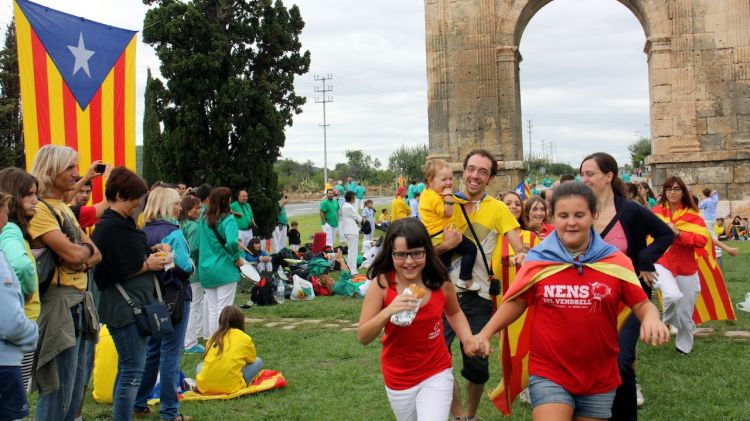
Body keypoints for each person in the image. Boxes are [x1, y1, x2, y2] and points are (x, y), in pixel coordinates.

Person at [477, 182, 670, 421]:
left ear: (593, 215)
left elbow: (641, 303)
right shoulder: (540, 259)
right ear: (553, 217)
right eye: (563, 215)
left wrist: (651, 318)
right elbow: (516, 302)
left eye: (579, 215)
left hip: (599, 375)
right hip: (549, 370)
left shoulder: (615, 261)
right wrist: (485, 333)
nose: (571, 222)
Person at [435, 149, 529, 420]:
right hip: (441, 293)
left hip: (478, 297)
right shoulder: (442, 205)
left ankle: (470, 414)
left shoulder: (498, 209)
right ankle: (457, 415)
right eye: (471, 169)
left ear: (490, 179)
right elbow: (425, 249)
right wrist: (447, 245)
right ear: (463, 171)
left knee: (477, 362)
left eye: (483, 172)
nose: (475, 175)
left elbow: (517, 241)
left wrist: (521, 252)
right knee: (438, 359)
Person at [580, 152, 674, 419]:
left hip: (630, 299)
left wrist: (645, 259)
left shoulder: (631, 210)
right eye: (582, 174)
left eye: (590, 174)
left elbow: (665, 234)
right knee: (595, 361)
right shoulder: (581, 210)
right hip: (592, 299)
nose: (584, 179)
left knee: (622, 363)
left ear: (609, 176)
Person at [357, 218, 478, 421]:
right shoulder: (382, 285)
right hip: (399, 378)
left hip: (437, 371)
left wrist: (467, 339)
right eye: (401, 255)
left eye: (416, 253)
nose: (409, 261)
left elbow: (454, 313)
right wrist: (388, 311)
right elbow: (363, 336)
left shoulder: (440, 281)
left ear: (426, 252)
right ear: (391, 254)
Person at [28, 145, 102, 421]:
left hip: (80, 302)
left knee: (76, 390)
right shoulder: (42, 209)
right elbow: (77, 253)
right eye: (70, 167)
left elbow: (95, 254)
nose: (77, 173)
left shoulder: (62, 207)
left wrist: (78, 255)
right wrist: (80, 253)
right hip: (60, 305)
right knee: (58, 390)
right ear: (50, 169)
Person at [91, 167, 170, 421]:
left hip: (135, 307)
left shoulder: (123, 225)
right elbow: (107, 273)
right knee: (132, 371)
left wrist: (152, 249)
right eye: (133, 197)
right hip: (123, 310)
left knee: (129, 368)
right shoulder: (108, 229)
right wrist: (148, 264)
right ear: (116, 195)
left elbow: (131, 253)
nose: (138, 203)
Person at [134, 187, 195, 421]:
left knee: (152, 351)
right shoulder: (174, 233)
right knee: (170, 353)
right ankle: (170, 411)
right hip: (175, 297)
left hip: (150, 298)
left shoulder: (143, 232)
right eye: (177, 203)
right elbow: (185, 267)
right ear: (167, 205)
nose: (180, 207)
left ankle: (139, 403)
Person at [652, 176, 709, 354]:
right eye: (669, 189)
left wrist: (679, 233)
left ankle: (684, 346)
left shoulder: (693, 216)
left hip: (686, 267)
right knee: (673, 296)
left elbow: (701, 240)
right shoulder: (656, 212)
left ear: (683, 192)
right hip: (662, 263)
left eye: (676, 189)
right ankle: (666, 321)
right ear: (664, 192)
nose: (672, 192)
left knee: (685, 312)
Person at [0, 168, 41, 391]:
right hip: (19, 325)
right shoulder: (11, 230)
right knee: (17, 394)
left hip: (14, 325)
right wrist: (23, 293)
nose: (36, 200)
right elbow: (21, 265)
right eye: (29, 194)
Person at [419, 159, 479, 291]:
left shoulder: (434, 193)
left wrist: (466, 201)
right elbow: (448, 212)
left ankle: (437, 288)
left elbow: (454, 198)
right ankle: (465, 279)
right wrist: (448, 196)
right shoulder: (431, 197)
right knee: (471, 249)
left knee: (443, 267)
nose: (449, 183)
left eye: (451, 179)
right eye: (444, 179)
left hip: (438, 235)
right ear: (430, 180)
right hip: (441, 235)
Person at [199, 187, 244, 336]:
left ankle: (213, 341)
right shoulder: (228, 219)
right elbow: (232, 242)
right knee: (224, 308)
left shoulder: (203, 218)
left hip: (206, 268)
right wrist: (236, 257)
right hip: (224, 268)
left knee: (213, 309)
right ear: (226, 200)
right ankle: (222, 342)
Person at [196, 305, 263, 395]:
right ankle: (231, 380)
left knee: (200, 365)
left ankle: (208, 381)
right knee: (258, 361)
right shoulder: (244, 338)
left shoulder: (212, 338)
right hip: (231, 388)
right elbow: (252, 359)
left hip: (204, 387)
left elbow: (205, 360)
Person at [180, 194, 208, 354]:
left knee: (191, 306)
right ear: (190, 210)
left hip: (183, 270)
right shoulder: (194, 227)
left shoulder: (181, 223)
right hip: (194, 270)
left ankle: (191, 337)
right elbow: (195, 248)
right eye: (198, 207)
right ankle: (190, 342)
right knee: (194, 306)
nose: (200, 210)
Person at [340, 191, 363, 275]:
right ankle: (352, 270)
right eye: (354, 197)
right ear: (351, 198)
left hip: (349, 230)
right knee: (353, 251)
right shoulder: (349, 207)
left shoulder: (345, 206)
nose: (355, 199)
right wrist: (361, 220)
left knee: (352, 251)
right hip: (351, 231)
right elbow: (358, 217)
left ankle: (351, 268)